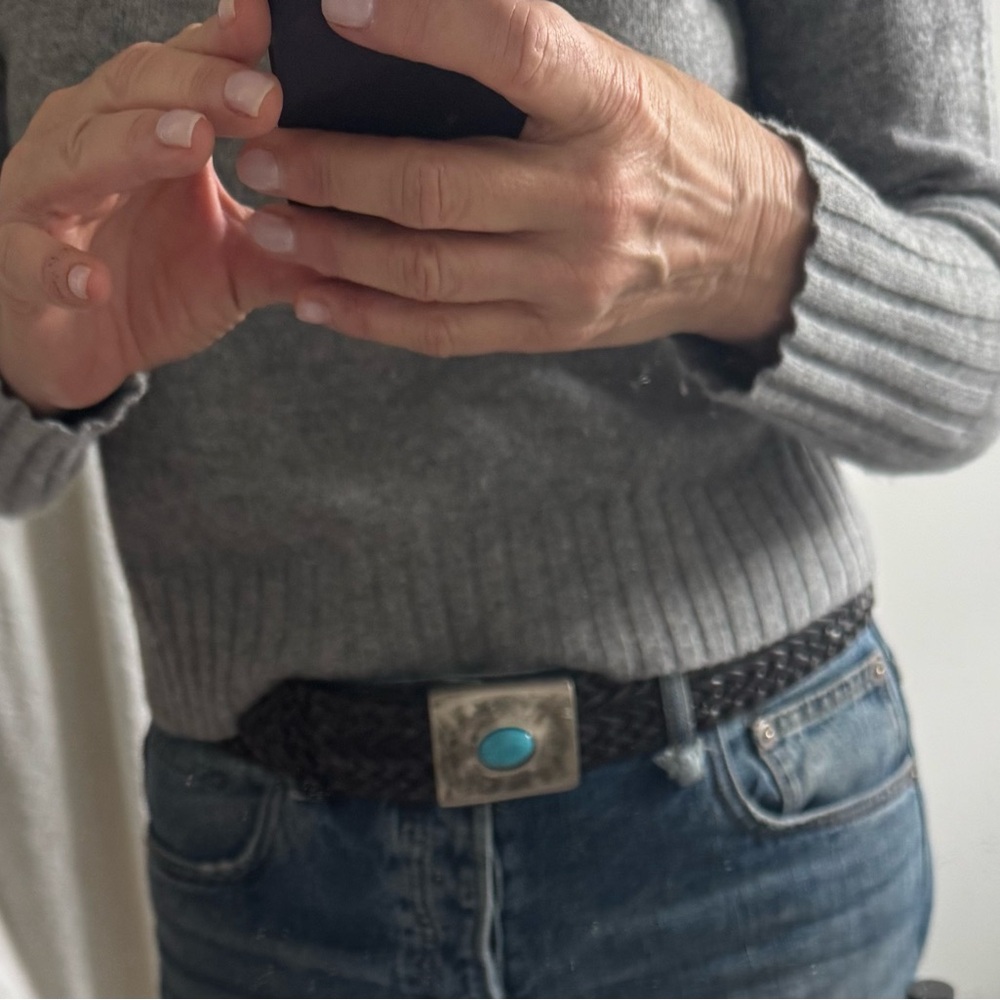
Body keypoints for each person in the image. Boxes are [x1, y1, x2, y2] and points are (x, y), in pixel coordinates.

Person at [1, 0, 997, 995]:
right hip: (263, 880)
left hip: (753, 841)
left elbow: (978, 347)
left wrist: (751, 239)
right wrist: (30, 357)